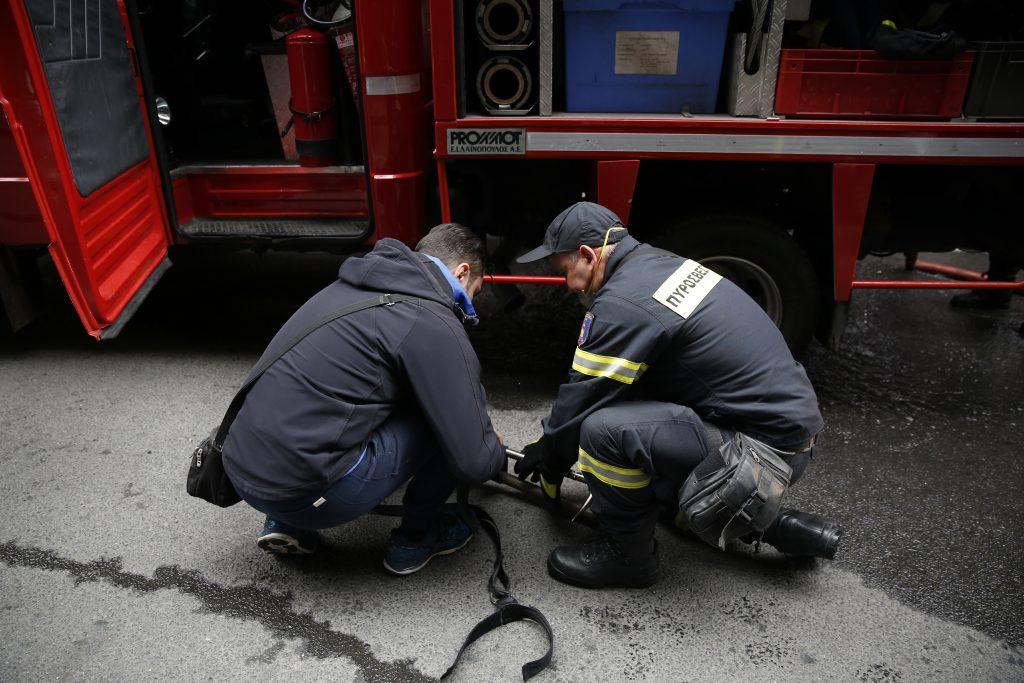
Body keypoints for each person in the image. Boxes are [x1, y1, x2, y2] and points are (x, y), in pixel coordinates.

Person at [513, 202, 841, 589]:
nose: (569, 285)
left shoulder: (622, 303)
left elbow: (581, 400)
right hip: (785, 438)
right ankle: (769, 524)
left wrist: (550, 456)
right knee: (633, 410)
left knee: (602, 430)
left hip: (762, 453)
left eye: (565, 271)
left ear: (588, 254)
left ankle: (626, 555)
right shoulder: (658, 263)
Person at [222, 224, 506, 575]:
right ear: (462, 272)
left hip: (241, 470)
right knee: (446, 417)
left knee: (334, 391)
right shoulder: (432, 320)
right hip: (307, 494)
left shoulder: (348, 288)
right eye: (474, 293)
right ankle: (416, 540)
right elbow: (474, 463)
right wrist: (489, 448)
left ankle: (285, 523)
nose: (470, 304)